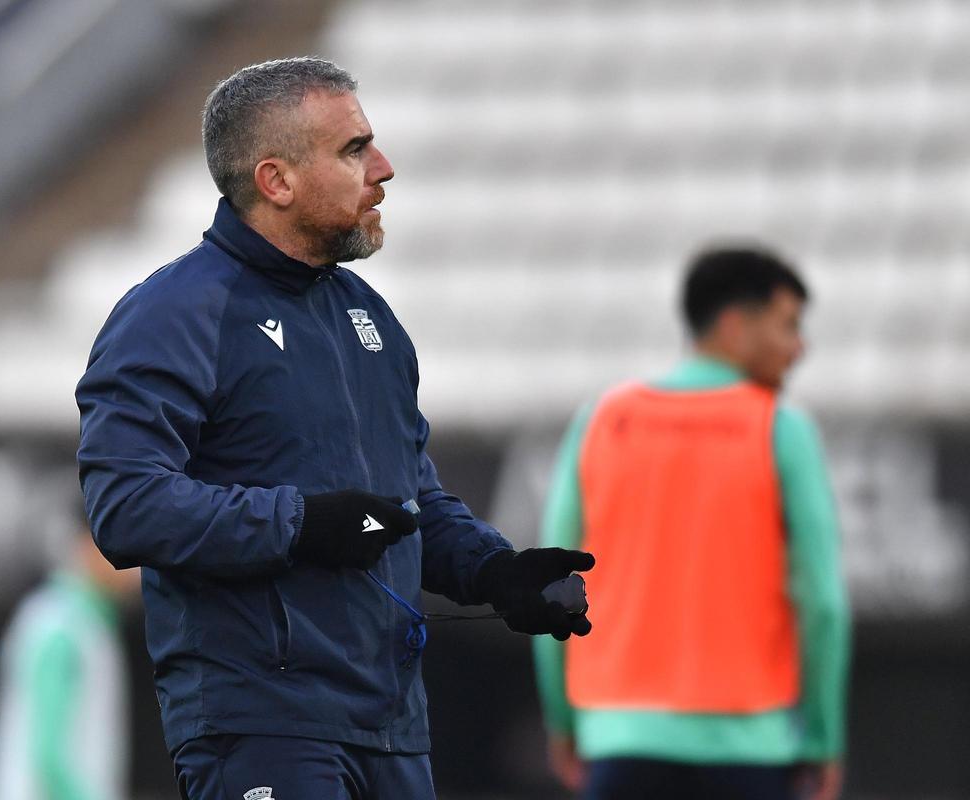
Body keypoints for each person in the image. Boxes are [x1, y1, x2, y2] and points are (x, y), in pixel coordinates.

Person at [75, 56, 593, 799]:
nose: (383, 169)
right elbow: (126, 507)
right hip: (261, 725)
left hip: (392, 727)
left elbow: (408, 503)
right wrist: (301, 523)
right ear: (276, 180)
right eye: (354, 150)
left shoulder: (370, 320)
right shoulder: (174, 314)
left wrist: (493, 571)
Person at [534, 247, 851, 800]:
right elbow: (822, 602)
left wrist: (565, 720)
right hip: (753, 748)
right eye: (788, 326)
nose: (800, 347)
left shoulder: (603, 420)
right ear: (733, 325)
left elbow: (551, 583)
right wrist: (821, 738)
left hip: (619, 741)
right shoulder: (781, 428)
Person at [0, 524, 140, 800]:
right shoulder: (63, 626)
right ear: (88, 544)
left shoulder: (77, 622)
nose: (139, 567)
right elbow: (49, 756)